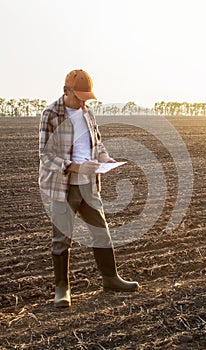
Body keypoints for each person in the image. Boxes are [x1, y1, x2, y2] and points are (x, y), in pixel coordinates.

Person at [39, 69, 139, 308]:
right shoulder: (51, 114)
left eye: (87, 97)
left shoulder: (88, 113)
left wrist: (106, 158)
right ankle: (62, 289)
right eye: (79, 96)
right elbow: (46, 156)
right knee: (62, 239)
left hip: (89, 186)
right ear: (66, 91)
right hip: (63, 187)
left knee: (101, 233)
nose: (84, 101)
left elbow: (98, 144)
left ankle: (111, 279)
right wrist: (75, 167)